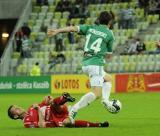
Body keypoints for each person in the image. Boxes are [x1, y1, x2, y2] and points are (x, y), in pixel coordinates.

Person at [47, 11, 115, 120]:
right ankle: (74, 108)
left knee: (108, 79)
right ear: (110, 22)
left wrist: (57, 31)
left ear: (98, 19)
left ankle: (106, 100)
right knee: (96, 93)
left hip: (85, 64)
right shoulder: (110, 34)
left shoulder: (90, 28)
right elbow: (109, 55)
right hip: (96, 64)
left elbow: (72, 28)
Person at [8, 93, 109, 128]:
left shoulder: (31, 107)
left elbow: (45, 103)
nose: (18, 108)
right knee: (68, 123)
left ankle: (64, 98)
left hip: (56, 109)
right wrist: (38, 110)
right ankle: (98, 124)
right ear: (16, 116)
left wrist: (47, 99)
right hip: (54, 120)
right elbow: (42, 126)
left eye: (17, 106)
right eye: (15, 110)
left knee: (52, 103)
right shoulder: (26, 122)